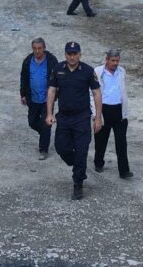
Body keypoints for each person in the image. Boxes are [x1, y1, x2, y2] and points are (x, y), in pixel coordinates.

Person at [46, 41, 103, 200]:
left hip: (82, 118)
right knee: (61, 147)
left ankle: (78, 183)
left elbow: (97, 93)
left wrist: (97, 117)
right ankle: (73, 161)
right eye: (69, 54)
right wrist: (49, 113)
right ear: (65, 55)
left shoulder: (87, 71)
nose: (72, 57)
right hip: (63, 117)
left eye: (75, 54)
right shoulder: (58, 69)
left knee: (81, 151)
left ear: (79, 54)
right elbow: (51, 91)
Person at [91, 49, 133, 179]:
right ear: (107, 60)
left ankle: (124, 171)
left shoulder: (121, 71)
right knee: (101, 140)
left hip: (119, 110)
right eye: (113, 60)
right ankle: (98, 162)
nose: (115, 63)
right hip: (103, 109)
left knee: (121, 142)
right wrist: (95, 114)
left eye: (117, 61)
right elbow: (92, 93)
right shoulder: (97, 72)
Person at [20, 38, 59, 160]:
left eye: (39, 48)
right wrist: (23, 94)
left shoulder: (52, 61)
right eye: (35, 48)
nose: (37, 51)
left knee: (46, 123)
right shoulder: (27, 61)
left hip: (47, 99)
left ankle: (43, 149)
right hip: (33, 98)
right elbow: (24, 78)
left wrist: (57, 94)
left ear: (44, 48)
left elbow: (57, 79)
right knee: (32, 122)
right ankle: (44, 134)